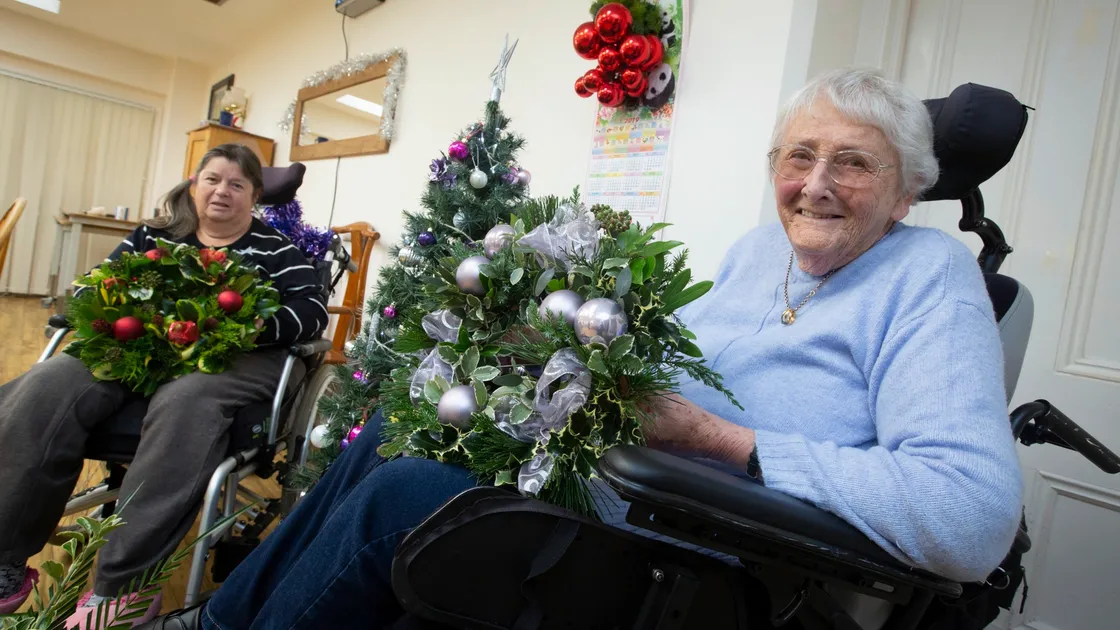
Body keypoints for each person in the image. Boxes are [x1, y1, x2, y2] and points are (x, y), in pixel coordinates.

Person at [138, 67, 1024, 630]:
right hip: (617, 490)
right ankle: (220, 618)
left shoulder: (931, 281)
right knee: (392, 434)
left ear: (906, 193)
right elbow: (683, 370)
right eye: (800, 156)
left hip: (711, 558)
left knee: (410, 493)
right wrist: (561, 353)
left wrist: (720, 442)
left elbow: (971, 518)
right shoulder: (759, 253)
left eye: (854, 164)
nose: (816, 185)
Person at [0, 144, 328, 627]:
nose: (222, 191)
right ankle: (5, 556)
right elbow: (94, 285)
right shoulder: (153, 236)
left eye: (237, 184)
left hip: (234, 357)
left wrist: (252, 325)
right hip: (141, 347)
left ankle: (123, 587)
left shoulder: (279, 251)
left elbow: (312, 312)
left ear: (255, 196)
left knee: (186, 399)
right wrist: (118, 309)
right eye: (212, 179)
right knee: (49, 381)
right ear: (194, 185)